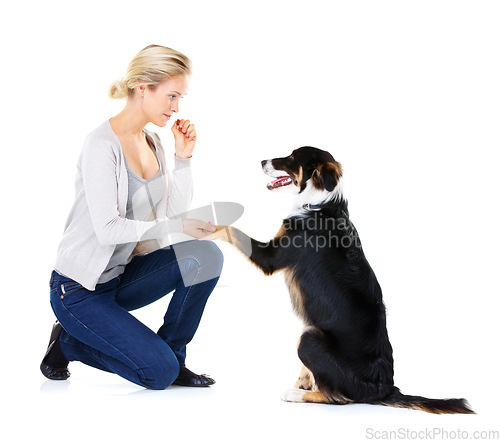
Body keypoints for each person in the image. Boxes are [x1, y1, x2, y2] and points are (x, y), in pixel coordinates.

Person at [40, 44, 223, 389]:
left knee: (205, 256)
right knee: (157, 375)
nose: (177, 107)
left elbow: (171, 215)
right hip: (79, 290)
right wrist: (177, 226)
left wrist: (183, 159)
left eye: (180, 97)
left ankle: (172, 355)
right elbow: (109, 229)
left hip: (121, 278)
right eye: (171, 96)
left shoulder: (153, 141)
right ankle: (67, 342)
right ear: (142, 87)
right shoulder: (101, 145)